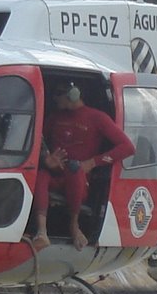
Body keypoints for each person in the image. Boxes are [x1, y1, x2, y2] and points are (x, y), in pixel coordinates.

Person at [31, 80, 134, 251]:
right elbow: (37, 140)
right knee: (42, 175)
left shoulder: (97, 118)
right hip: (56, 174)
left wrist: (93, 162)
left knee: (75, 169)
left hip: (78, 178)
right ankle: (42, 232)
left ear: (73, 94)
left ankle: (74, 225)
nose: (56, 101)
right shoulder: (55, 118)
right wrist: (46, 159)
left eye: (59, 96)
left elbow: (127, 147)